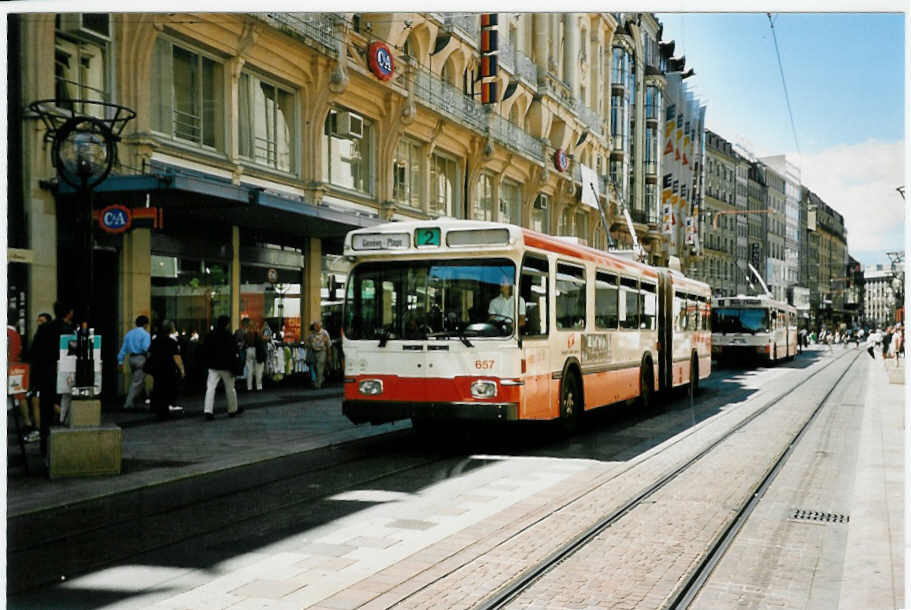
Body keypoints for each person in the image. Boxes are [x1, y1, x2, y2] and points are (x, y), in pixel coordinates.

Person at [30, 302, 74, 457]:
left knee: (45, 412)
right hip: (62, 375)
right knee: (64, 409)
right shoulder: (68, 331)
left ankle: (44, 446)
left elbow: (33, 353)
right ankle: (62, 448)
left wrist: (35, 378)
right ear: (69, 313)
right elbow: (71, 357)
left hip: (45, 375)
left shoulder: (44, 328)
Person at [202, 315, 241, 420]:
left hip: (213, 366)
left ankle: (208, 410)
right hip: (227, 367)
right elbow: (234, 352)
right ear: (227, 324)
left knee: (210, 388)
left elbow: (205, 350)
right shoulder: (229, 336)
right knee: (230, 389)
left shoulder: (210, 335)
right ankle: (232, 409)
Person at [7, 314, 38, 443]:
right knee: (20, 395)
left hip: (9, 365)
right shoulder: (14, 334)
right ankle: (27, 422)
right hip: (14, 367)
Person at [147, 320, 185, 420]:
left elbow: (150, 353)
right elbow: (176, 357)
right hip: (168, 368)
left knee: (158, 387)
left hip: (157, 367)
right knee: (168, 388)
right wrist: (182, 370)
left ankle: (159, 408)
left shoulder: (155, 340)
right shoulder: (171, 341)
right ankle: (165, 409)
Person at [117, 315, 151, 411]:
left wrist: (120, 361)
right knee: (137, 382)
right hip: (141, 358)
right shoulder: (145, 334)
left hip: (131, 358)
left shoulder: (129, 334)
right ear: (145, 324)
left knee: (139, 380)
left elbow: (124, 348)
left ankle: (143, 399)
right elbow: (145, 348)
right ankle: (128, 403)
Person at [307, 320, 331, 389]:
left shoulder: (324, 333)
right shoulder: (311, 334)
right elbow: (308, 344)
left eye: (316, 326)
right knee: (314, 367)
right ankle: (321, 378)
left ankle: (318, 384)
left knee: (319, 367)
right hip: (313, 352)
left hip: (322, 352)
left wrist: (329, 355)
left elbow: (328, 345)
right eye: (314, 326)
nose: (315, 327)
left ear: (320, 326)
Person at [245, 324, 267, 391]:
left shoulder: (247, 334)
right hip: (257, 352)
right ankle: (259, 386)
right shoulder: (258, 334)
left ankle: (249, 387)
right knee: (258, 370)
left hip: (248, 350)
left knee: (250, 370)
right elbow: (262, 343)